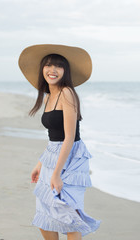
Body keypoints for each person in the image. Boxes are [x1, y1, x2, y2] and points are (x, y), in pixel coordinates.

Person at [18, 44, 100, 240]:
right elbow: (53, 136)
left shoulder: (67, 93)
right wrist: (40, 163)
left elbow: (69, 138)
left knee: (69, 216)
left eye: (58, 66)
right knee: (45, 214)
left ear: (65, 71)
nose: (52, 70)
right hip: (53, 155)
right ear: (42, 70)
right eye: (48, 65)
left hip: (71, 158)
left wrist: (56, 174)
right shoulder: (48, 97)